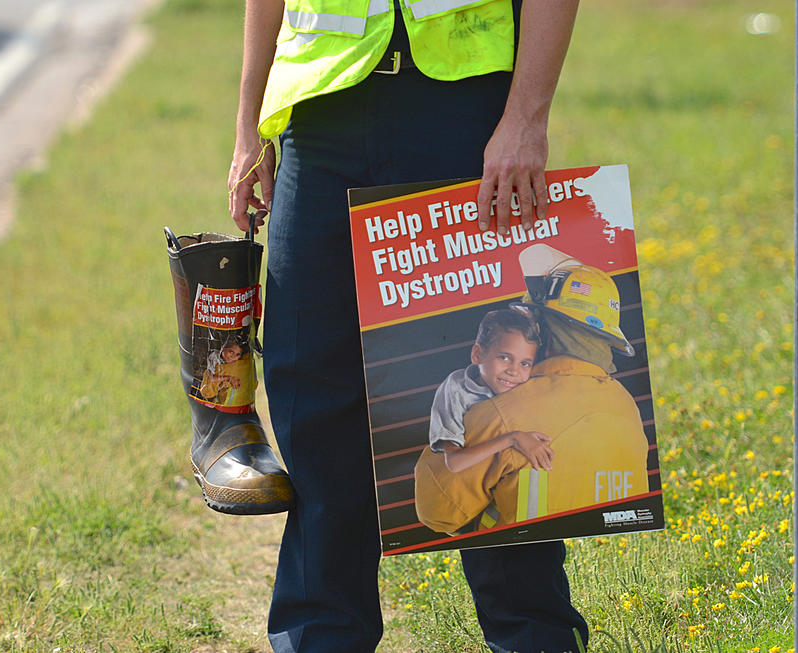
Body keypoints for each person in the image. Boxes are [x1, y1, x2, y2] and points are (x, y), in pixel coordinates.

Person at [226, 1, 584, 651]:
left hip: (462, 109)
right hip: (322, 109)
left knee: (499, 386)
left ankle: (535, 638)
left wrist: (527, 115)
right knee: (314, 398)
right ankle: (321, 636)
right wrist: (250, 124)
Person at [415, 260, 650, 533]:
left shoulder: (502, 413)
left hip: (519, 561)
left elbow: (436, 511)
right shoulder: (626, 406)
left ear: (544, 333)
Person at [428, 307, 553, 474]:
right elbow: (455, 463)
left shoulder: (528, 387)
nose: (514, 371)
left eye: (525, 364)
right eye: (504, 357)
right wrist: (513, 438)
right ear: (478, 354)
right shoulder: (456, 389)